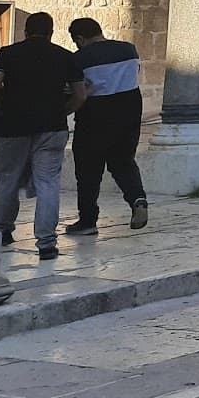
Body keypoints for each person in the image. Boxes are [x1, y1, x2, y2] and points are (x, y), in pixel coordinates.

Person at [0, 12, 87, 260]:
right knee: (48, 182)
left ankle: (3, 229)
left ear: (25, 32)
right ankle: (47, 243)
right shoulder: (65, 56)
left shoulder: (7, 53)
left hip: (12, 125)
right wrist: (64, 110)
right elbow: (80, 95)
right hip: (52, 126)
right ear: (51, 32)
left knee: (9, 178)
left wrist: (2, 102)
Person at [63, 18, 148, 235]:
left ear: (79, 39)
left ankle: (88, 221)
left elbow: (78, 93)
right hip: (129, 115)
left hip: (95, 116)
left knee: (88, 171)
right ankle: (138, 199)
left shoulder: (78, 59)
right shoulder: (129, 50)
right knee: (124, 162)